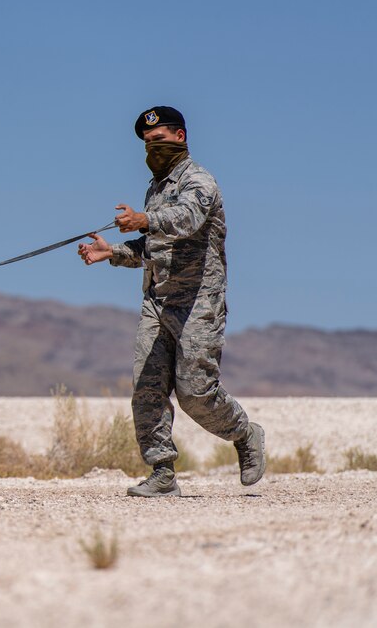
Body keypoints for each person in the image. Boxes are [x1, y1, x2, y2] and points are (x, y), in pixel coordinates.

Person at [78, 106, 265, 497]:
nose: (153, 149)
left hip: (199, 302)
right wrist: (110, 251)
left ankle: (245, 433)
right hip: (157, 303)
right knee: (147, 389)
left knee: (196, 393)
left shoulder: (200, 181)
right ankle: (162, 472)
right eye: (147, 144)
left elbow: (187, 220)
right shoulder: (155, 189)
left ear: (180, 137)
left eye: (159, 140)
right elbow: (152, 247)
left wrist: (145, 219)